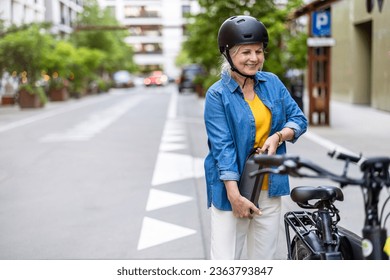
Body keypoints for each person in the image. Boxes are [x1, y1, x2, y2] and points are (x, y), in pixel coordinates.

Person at [203, 15, 308, 260]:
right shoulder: (217, 95)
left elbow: (299, 119)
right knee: (226, 262)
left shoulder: (272, 83)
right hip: (233, 189)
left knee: (264, 262)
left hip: (269, 186)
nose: (254, 58)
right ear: (228, 54)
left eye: (258, 51)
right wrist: (234, 195)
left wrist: (279, 136)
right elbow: (223, 148)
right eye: (246, 52)